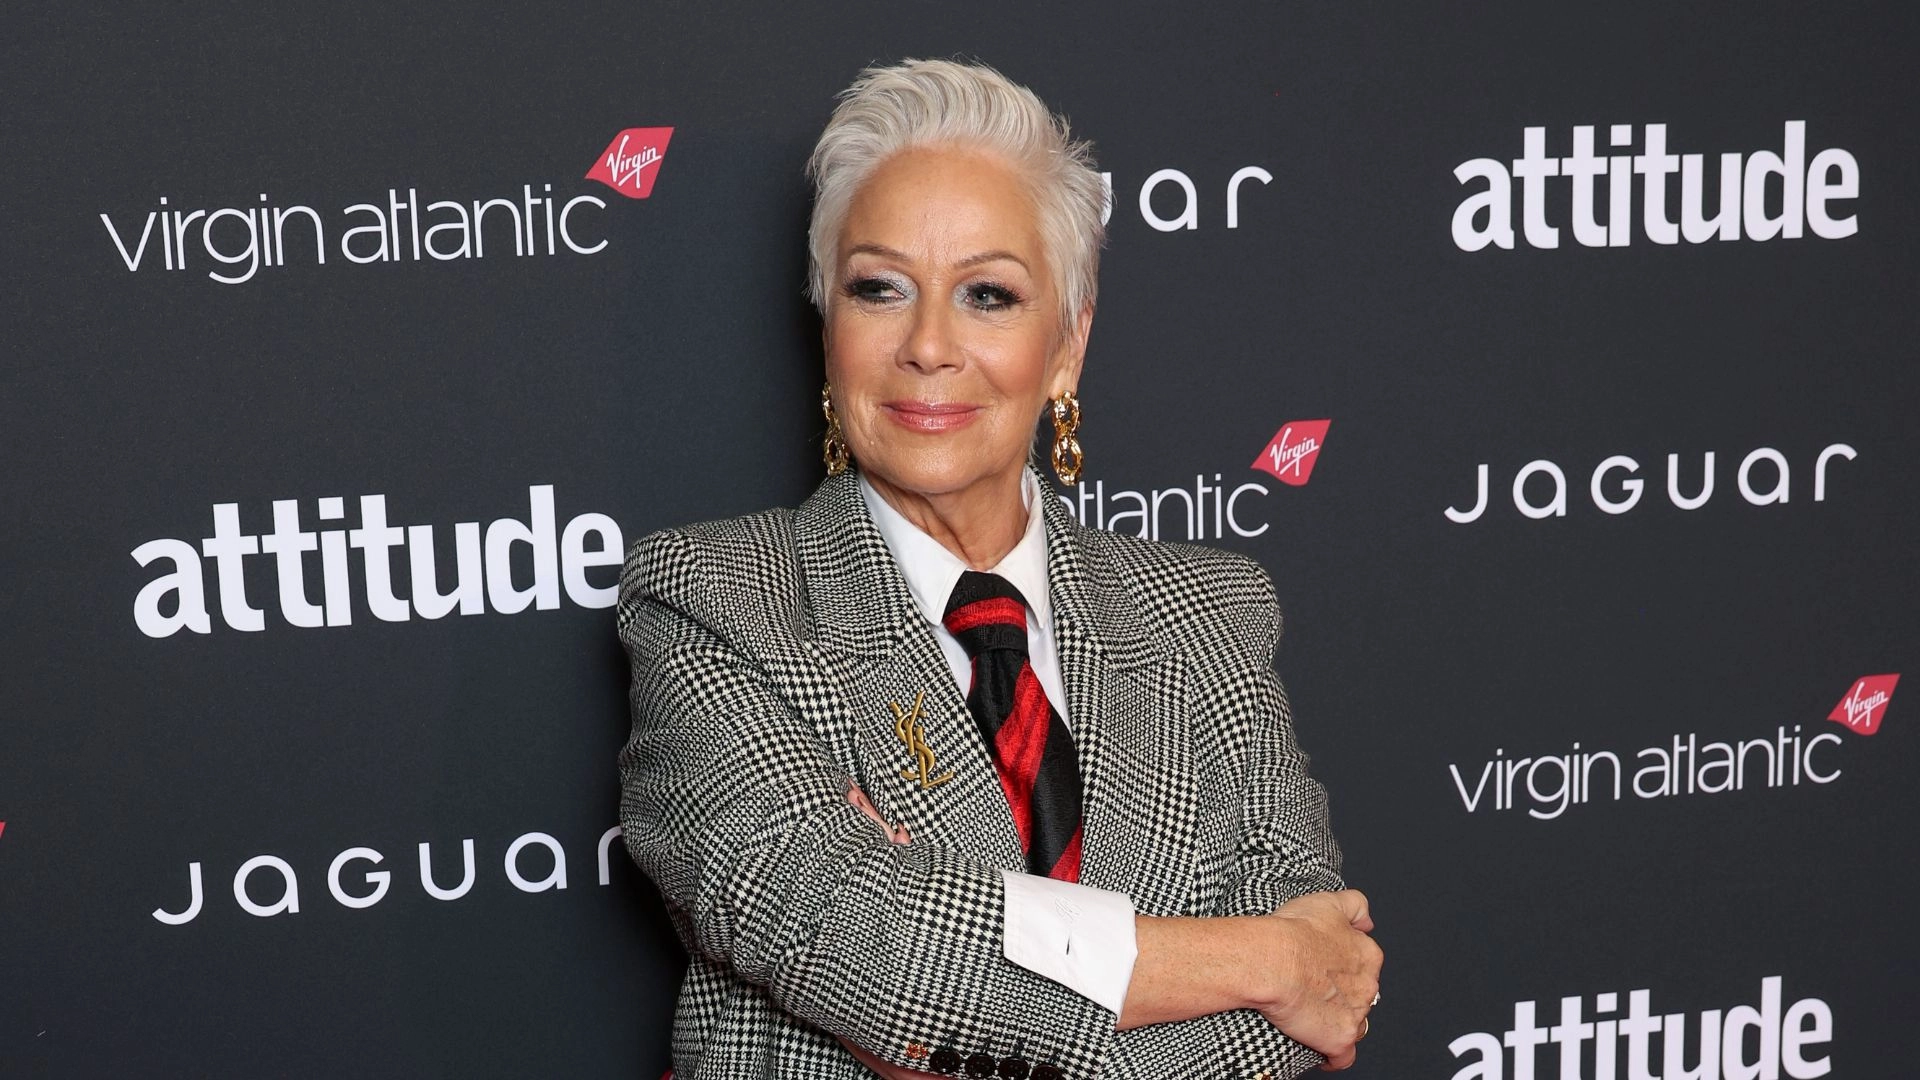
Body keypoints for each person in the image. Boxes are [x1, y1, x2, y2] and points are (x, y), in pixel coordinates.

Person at [617, 58, 1382, 1080]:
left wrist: (943, 985)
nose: (929, 345)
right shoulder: (712, 603)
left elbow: (1311, 1009)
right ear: (830, 327)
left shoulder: (1211, 614)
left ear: (1067, 345)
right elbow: (869, 949)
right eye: (879, 288)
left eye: (989, 295)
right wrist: (1260, 961)